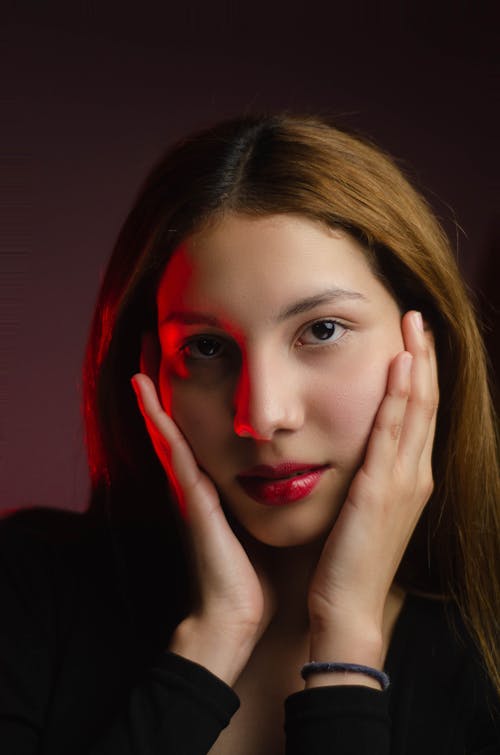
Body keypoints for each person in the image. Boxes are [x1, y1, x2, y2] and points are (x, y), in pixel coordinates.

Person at [0, 114, 498, 755]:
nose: (261, 416)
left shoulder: (483, 665)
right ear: (151, 371)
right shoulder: (27, 595)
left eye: (321, 330)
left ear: (421, 345)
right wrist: (210, 645)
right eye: (206, 347)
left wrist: (346, 645)